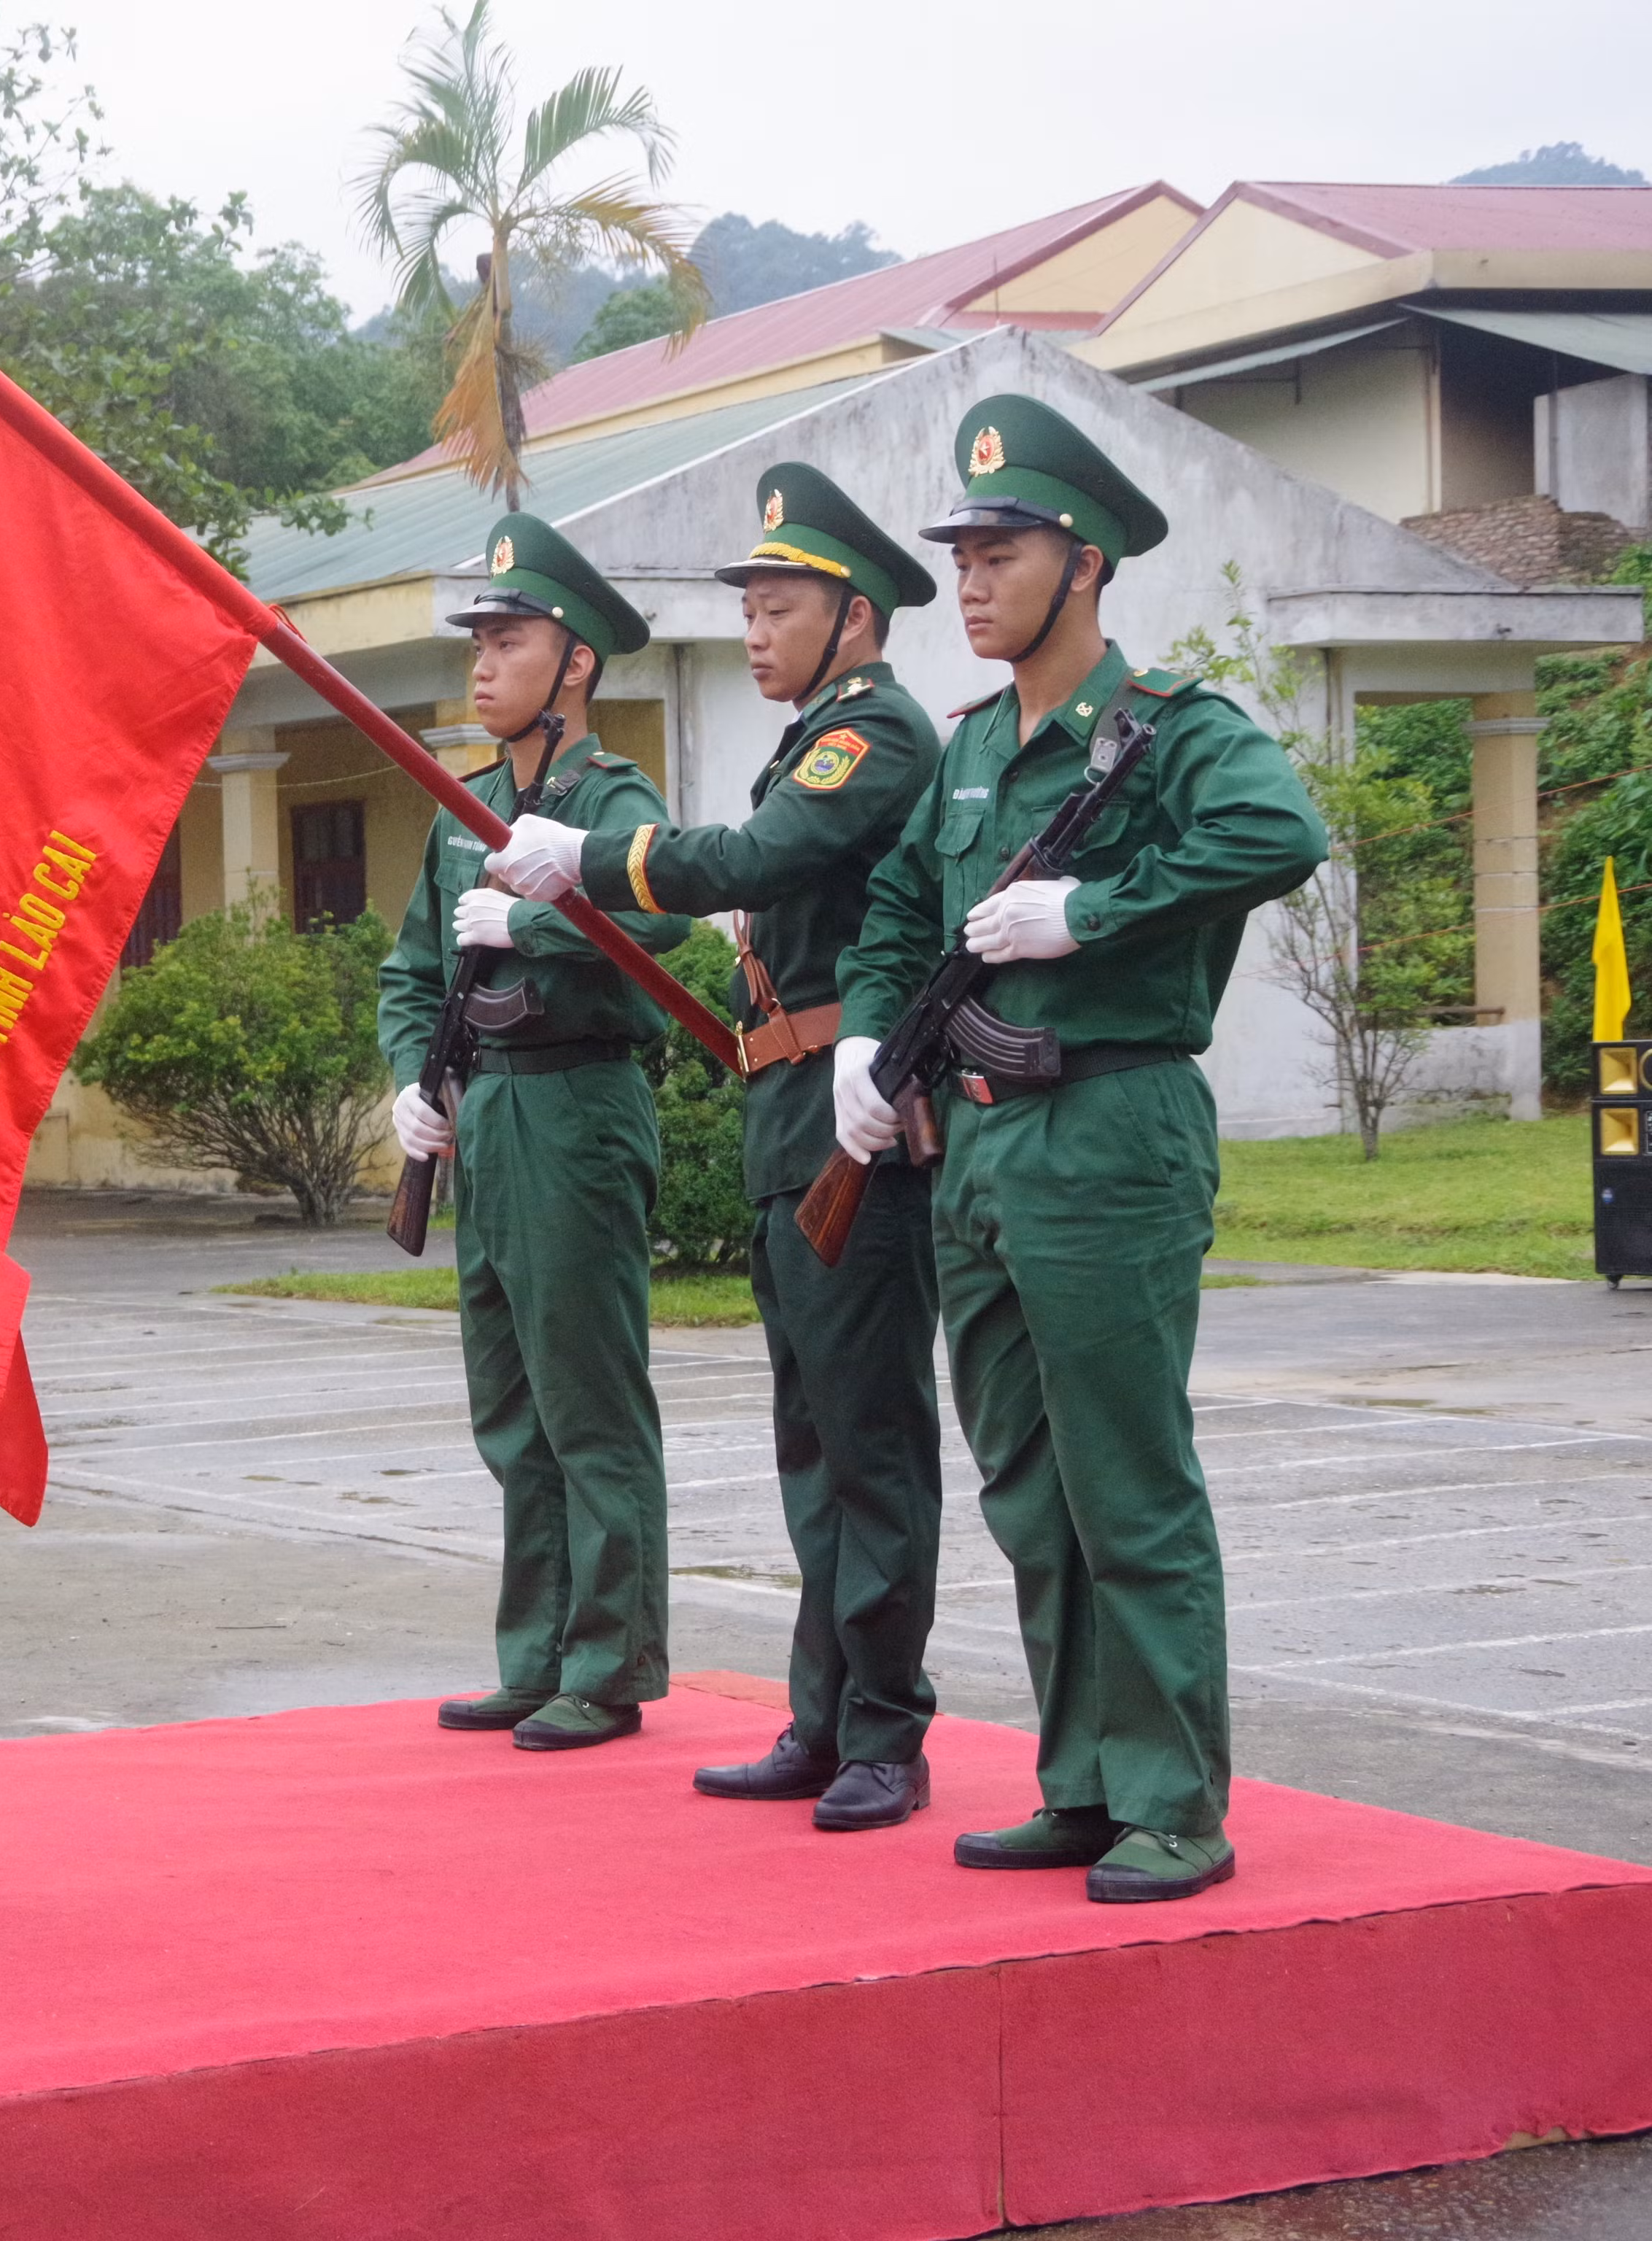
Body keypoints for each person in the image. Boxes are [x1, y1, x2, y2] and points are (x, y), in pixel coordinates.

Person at [833, 395, 1326, 1903]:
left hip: (1109, 1131)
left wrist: (1091, 914)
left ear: (1088, 562)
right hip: (978, 1149)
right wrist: (865, 1037)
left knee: (1129, 1481)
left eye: (1002, 549)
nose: (972, 579)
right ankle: (1087, 1783)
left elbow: (1283, 835)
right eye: (963, 552)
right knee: (1032, 1492)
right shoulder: (976, 748)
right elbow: (903, 914)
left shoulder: (1175, 737)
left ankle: (1178, 1800)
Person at [486, 463, 948, 1832]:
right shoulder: (814, 731)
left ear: (853, 617)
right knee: (812, 1435)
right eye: (746, 603)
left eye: (780, 604)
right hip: (788, 1103)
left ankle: (885, 1731)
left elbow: (753, 861)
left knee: (869, 1436)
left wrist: (595, 864)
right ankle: (824, 1717)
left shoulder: (877, 736)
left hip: (844, 1105)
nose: (753, 627)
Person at [384, 513, 694, 1753]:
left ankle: (609, 1663)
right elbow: (412, 968)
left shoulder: (612, 801)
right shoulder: (463, 814)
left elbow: (671, 919)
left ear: (575, 662)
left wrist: (548, 923)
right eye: (478, 641)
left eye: (508, 640)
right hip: (491, 1111)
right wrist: (416, 1078)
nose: (481, 663)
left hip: (577, 1103)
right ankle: (538, 1650)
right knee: (509, 1402)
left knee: (589, 1400)